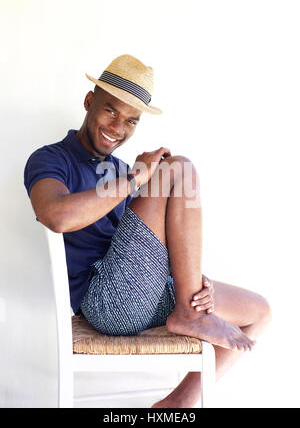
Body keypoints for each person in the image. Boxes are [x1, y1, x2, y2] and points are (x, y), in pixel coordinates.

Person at [24, 54, 271, 408]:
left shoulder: (123, 170)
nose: (118, 127)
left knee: (258, 312)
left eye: (131, 121)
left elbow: (146, 247)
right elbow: (56, 216)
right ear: (89, 101)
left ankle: (175, 404)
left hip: (145, 293)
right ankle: (189, 314)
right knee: (178, 169)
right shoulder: (51, 159)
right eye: (111, 111)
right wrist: (137, 178)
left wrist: (194, 282)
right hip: (104, 302)